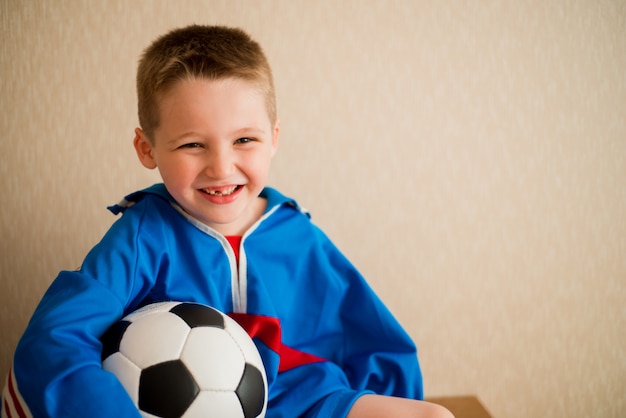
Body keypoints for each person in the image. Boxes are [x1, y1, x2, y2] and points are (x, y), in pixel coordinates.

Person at [1, 25, 453, 418]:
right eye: (193, 145)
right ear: (147, 149)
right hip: (183, 406)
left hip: (304, 399)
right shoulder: (143, 235)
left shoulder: (297, 235)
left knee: (435, 414)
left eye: (244, 139)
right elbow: (56, 338)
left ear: (273, 137)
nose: (221, 167)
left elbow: (371, 339)